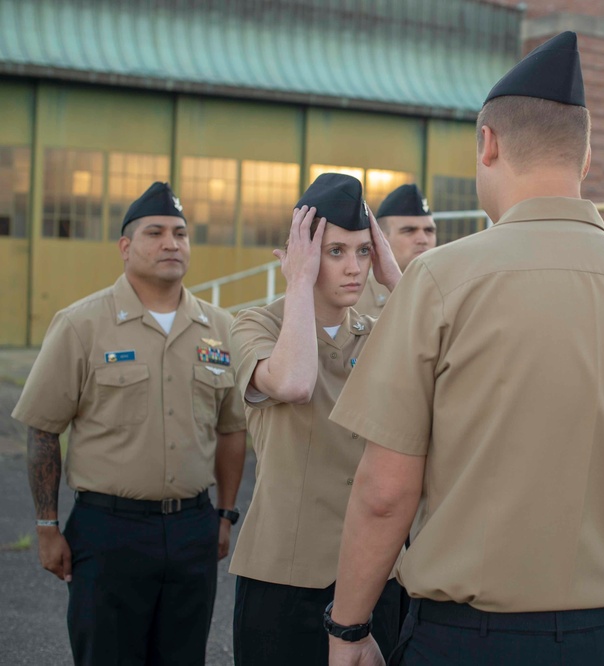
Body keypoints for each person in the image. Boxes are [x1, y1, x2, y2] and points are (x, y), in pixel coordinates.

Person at [324, 31, 604, 666]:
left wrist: (350, 629)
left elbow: (385, 490)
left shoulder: (442, 280)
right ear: (584, 159)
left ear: (488, 144)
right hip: (603, 635)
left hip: (467, 639)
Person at [12, 181, 247, 665]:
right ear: (125, 247)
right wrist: (46, 525)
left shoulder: (220, 329)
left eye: (180, 234)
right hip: (108, 530)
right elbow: (42, 428)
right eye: (155, 233)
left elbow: (231, 429)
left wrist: (223, 515)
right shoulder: (82, 325)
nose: (171, 243)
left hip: (192, 529)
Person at [228, 174, 405, 665]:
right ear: (300, 253)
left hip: (375, 574)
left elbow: (456, 362)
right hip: (286, 578)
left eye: (363, 252)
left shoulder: (380, 331)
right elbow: (293, 383)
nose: (354, 268)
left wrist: (397, 279)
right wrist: (299, 285)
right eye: (334, 252)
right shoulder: (253, 324)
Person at [354, 183, 436, 316]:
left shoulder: (448, 292)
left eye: (429, 230)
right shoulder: (354, 298)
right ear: (380, 238)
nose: (423, 239)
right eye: (409, 230)